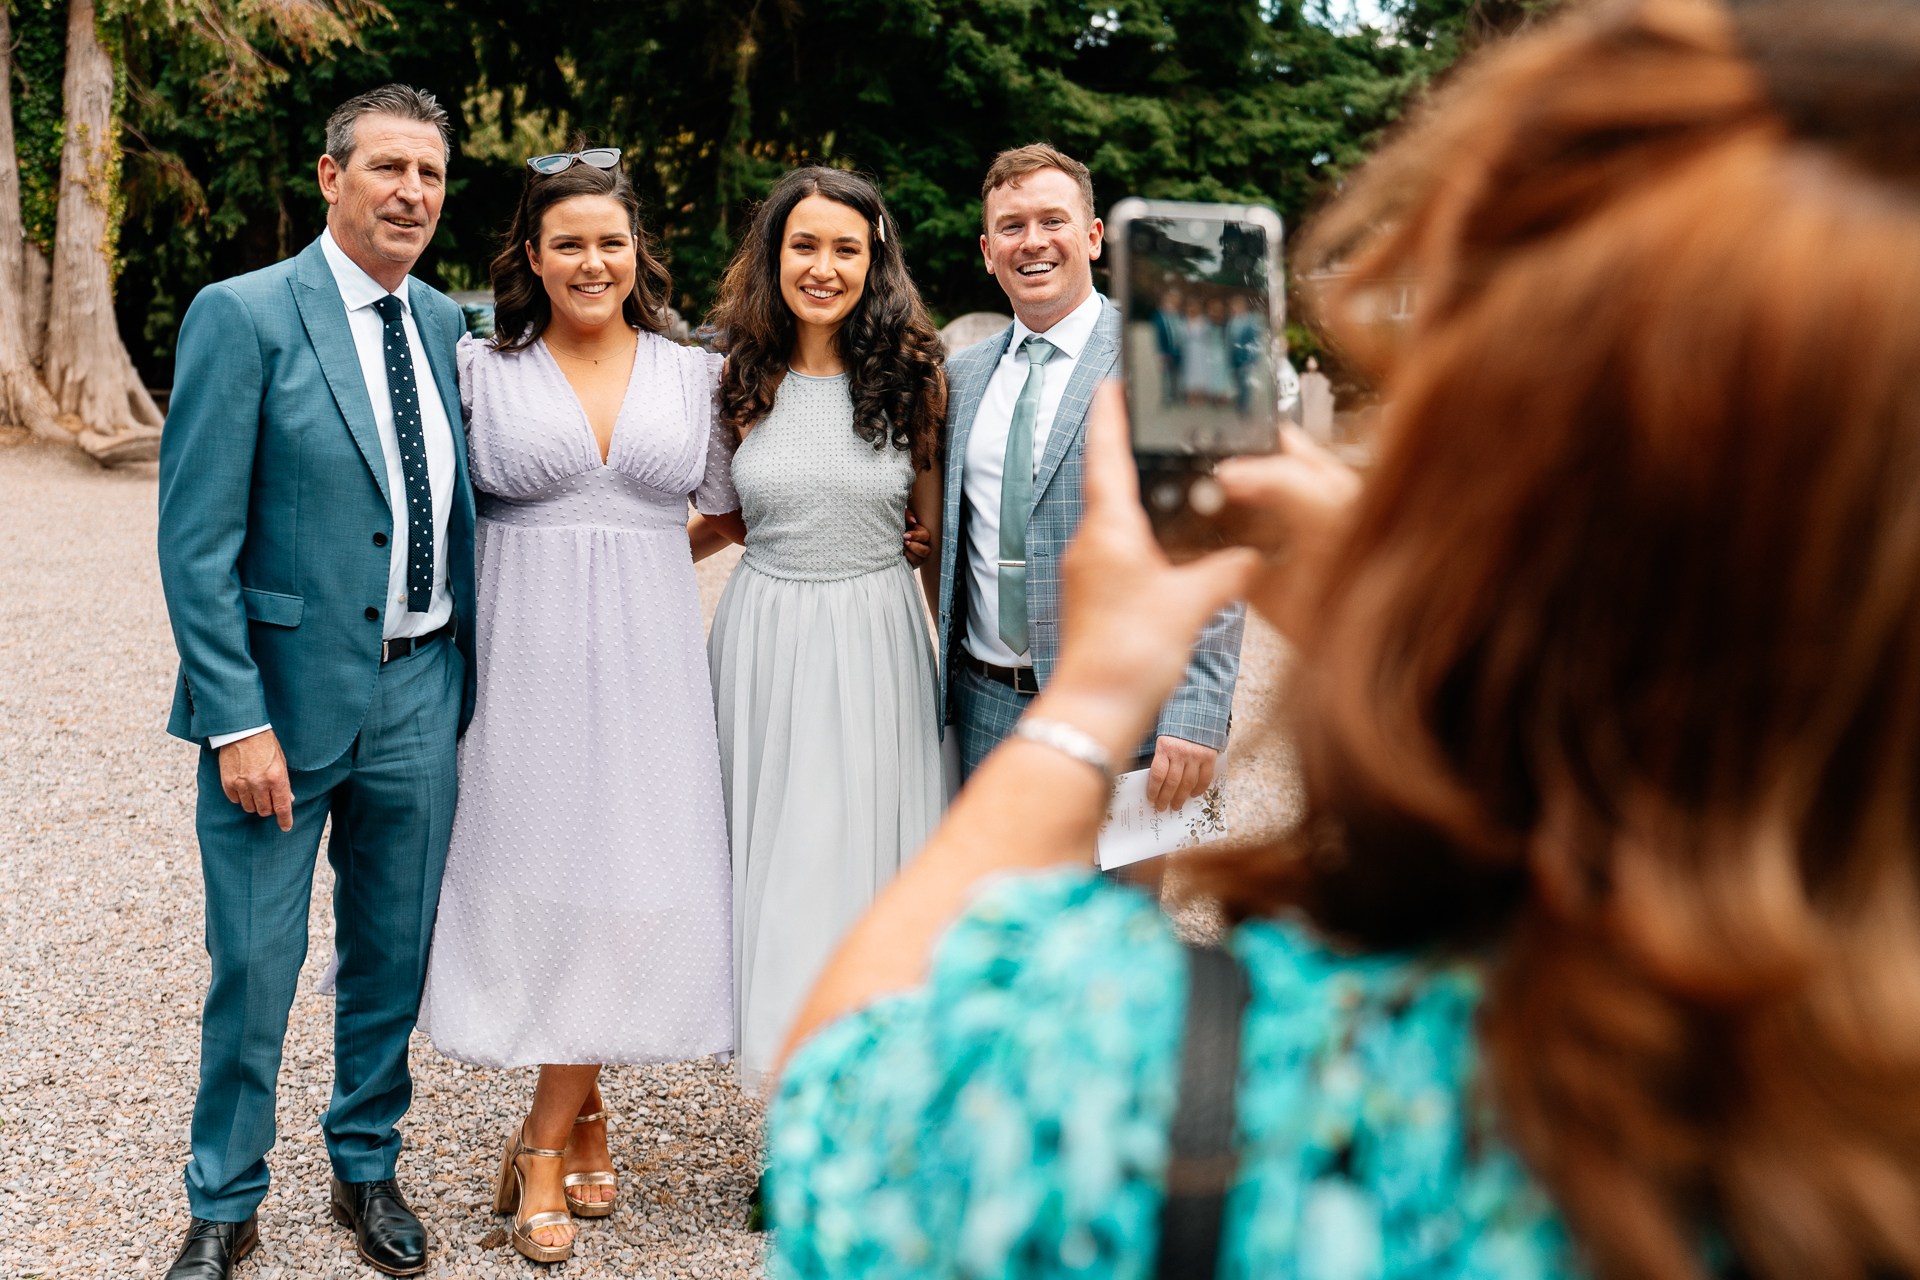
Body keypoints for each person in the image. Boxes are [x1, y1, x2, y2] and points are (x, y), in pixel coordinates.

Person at [761, 1, 1920, 1276]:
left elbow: (849, 1112)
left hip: (1104, 718)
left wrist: (1100, 700)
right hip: (974, 687)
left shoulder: (1183, 1079)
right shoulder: (1850, 1114)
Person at [155, 85, 472, 1280]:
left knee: (391, 951)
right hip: (277, 706)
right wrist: (234, 715)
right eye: (388, 168)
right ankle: (223, 1198)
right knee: (255, 958)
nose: (411, 194)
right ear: (330, 178)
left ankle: (365, 1162)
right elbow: (194, 542)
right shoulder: (243, 315)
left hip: (422, 688)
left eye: (431, 175)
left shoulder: (449, 324)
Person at [411, 148, 743, 1264]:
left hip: (651, 658)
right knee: (544, 879)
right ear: (534, 257)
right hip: (523, 657)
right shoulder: (478, 366)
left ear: (637, 250)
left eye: (611, 240)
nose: (592, 260)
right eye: (569, 243)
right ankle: (585, 1109)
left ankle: (544, 1139)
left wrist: (639, 555)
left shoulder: (693, 372)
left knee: (633, 883)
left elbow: (728, 509)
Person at [705, 166, 947, 1093]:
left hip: (875, 638)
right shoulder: (738, 374)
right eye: (804, 244)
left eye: (846, 248)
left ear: (873, 257)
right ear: (775, 255)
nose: (823, 266)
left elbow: (927, 543)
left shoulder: (914, 377)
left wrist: (944, 695)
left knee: (863, 872)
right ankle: (784, 1099)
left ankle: (866, 1094)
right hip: (764, 640)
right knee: (777, 871)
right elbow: (718, 514)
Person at [935, 143, 1243, 822]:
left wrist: (1195, 712)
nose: (1032, 242)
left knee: (1118, 924)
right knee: (1000, 919)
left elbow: (1213, 543)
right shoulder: (960, 377)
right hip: (981, 710)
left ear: (1094, 237)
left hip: (1127, 719)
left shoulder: (1172, 356)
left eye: (1054, 220)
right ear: (988, 251)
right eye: (1011, 227)